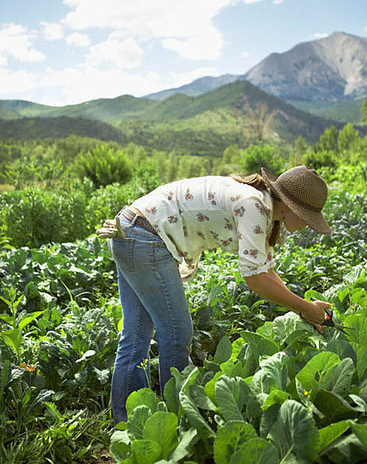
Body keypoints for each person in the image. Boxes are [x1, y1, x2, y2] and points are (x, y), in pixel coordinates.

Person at [97, 165, 331, 424]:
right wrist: (305, 308)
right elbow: (255, 280)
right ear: (289, 206)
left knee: (137, 332)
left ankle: (125, 422)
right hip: (144, 237)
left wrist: (304, 307)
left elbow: (265, 270)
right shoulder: (254, 206)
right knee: (176, 332)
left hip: (130, 230)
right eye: (308, 217)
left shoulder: (260, 204)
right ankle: (179, 420)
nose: (308, 224)